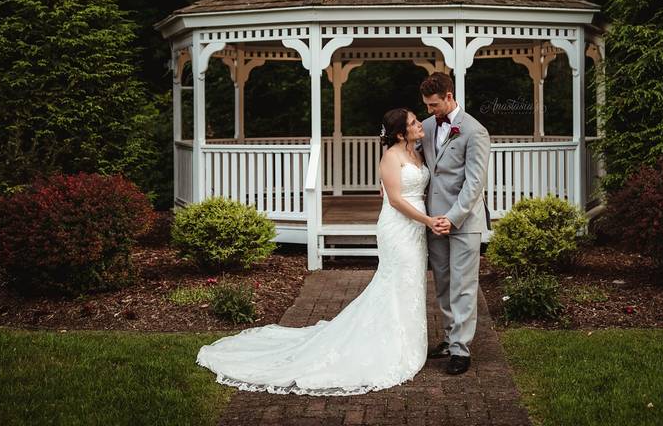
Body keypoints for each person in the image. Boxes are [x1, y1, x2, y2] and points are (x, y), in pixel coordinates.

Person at [195, 108, 448, 395]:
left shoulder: (417, 152)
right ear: (401, 133)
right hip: (399, 227)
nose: (419, 125)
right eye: (413, 123)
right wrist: (428, 220)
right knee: (395, 282)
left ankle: (408, 341)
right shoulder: (391, 157)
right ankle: (392, 346)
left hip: (415, 230)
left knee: (410, 283)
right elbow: (395, 199)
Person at [419, 72, 491, 376]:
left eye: (434, 104)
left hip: (463, 221)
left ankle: (462, 349)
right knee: (444, 284)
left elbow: (475, 184)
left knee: (463, 286)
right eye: (426, 105)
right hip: (433, 220)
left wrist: (453, 217)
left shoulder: (475, 131)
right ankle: (449, 339)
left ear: (449, 96)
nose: (430, 110)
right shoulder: (424, 127)